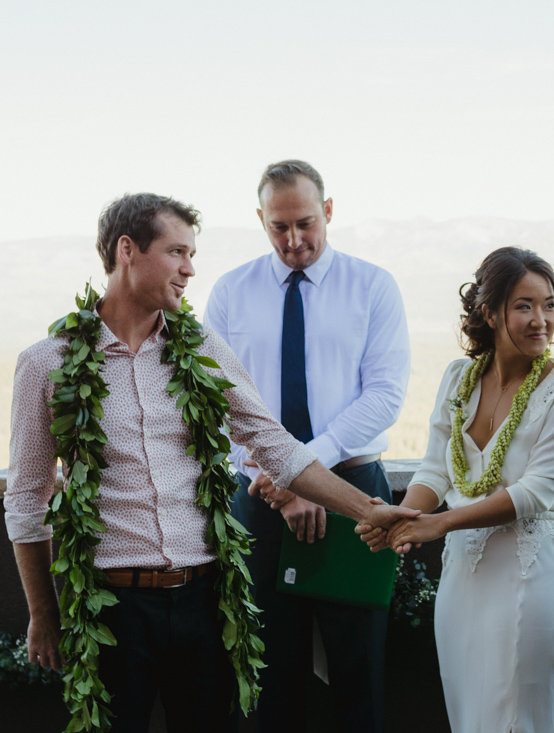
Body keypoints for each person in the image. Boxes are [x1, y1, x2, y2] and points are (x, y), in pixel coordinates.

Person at [3, 193, 416, 733]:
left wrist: (369, 509)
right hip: (109, 608)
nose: (190, 269)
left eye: (192, 254)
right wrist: (43, 614)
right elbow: (27, 500)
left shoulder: (204, 353)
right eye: (177, 252)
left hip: (205, 602)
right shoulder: (46, 364)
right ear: (128, 250)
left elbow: (275, 446)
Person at [204, 160, 410, 732]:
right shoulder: (229, 292)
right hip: (259, 497)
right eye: (278, 227)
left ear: (329, 211)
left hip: (354, 495)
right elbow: (215, 401)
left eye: (305, 223)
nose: (294, 240)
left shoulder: (373, 286)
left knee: (358, 672)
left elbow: (386, 395)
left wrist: (303, 468)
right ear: (260, 220)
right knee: (265, 676)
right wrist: (277, 478)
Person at [358, 246, 554, 732]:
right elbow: (435, 470)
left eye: (549, 304)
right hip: (462, 578)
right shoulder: (457, 378)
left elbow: (535, 493)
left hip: (526, 577)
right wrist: (402, 519)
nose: (541, 319)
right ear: (489, 312)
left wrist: (438, 523)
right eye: (523, 305)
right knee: (469, 715)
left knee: (511, 720)